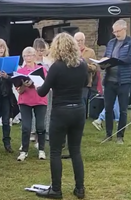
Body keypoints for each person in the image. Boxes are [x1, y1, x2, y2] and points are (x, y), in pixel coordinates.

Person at [36, 32, 88, 199]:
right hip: (79, 110)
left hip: (61, 111)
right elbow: (85, 83)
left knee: (56, 151)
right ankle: (80, 189)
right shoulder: (82, 65)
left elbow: (43, 91)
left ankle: (56, 189)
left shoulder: (56, 67)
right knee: (76, 151)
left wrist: (37, 85)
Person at [101, 19, 131, 144]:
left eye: (118, 31)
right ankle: (108, 134)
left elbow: (129, 59)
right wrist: (103, 63)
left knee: (122, 110)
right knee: (108, 108)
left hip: (124, 81)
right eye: (114, 31)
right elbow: (106, 56)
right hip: (109, 80)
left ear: (124, 29)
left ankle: (120, 136)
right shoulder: (111, 43)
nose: (116, 34)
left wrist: (115, 61)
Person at [16, 47, 47, 161]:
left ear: (35, 56)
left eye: (30, 55)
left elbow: (46, 85)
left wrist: (36, 84)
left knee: (40, 126)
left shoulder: (42, 69)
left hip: (40, 100)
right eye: (25, 56)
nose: (28, 58)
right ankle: (24, 151)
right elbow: (19, 90)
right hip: (25, 101)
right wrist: (25, 85)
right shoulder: (20, 71)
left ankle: (41, 150)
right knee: (26, 127)